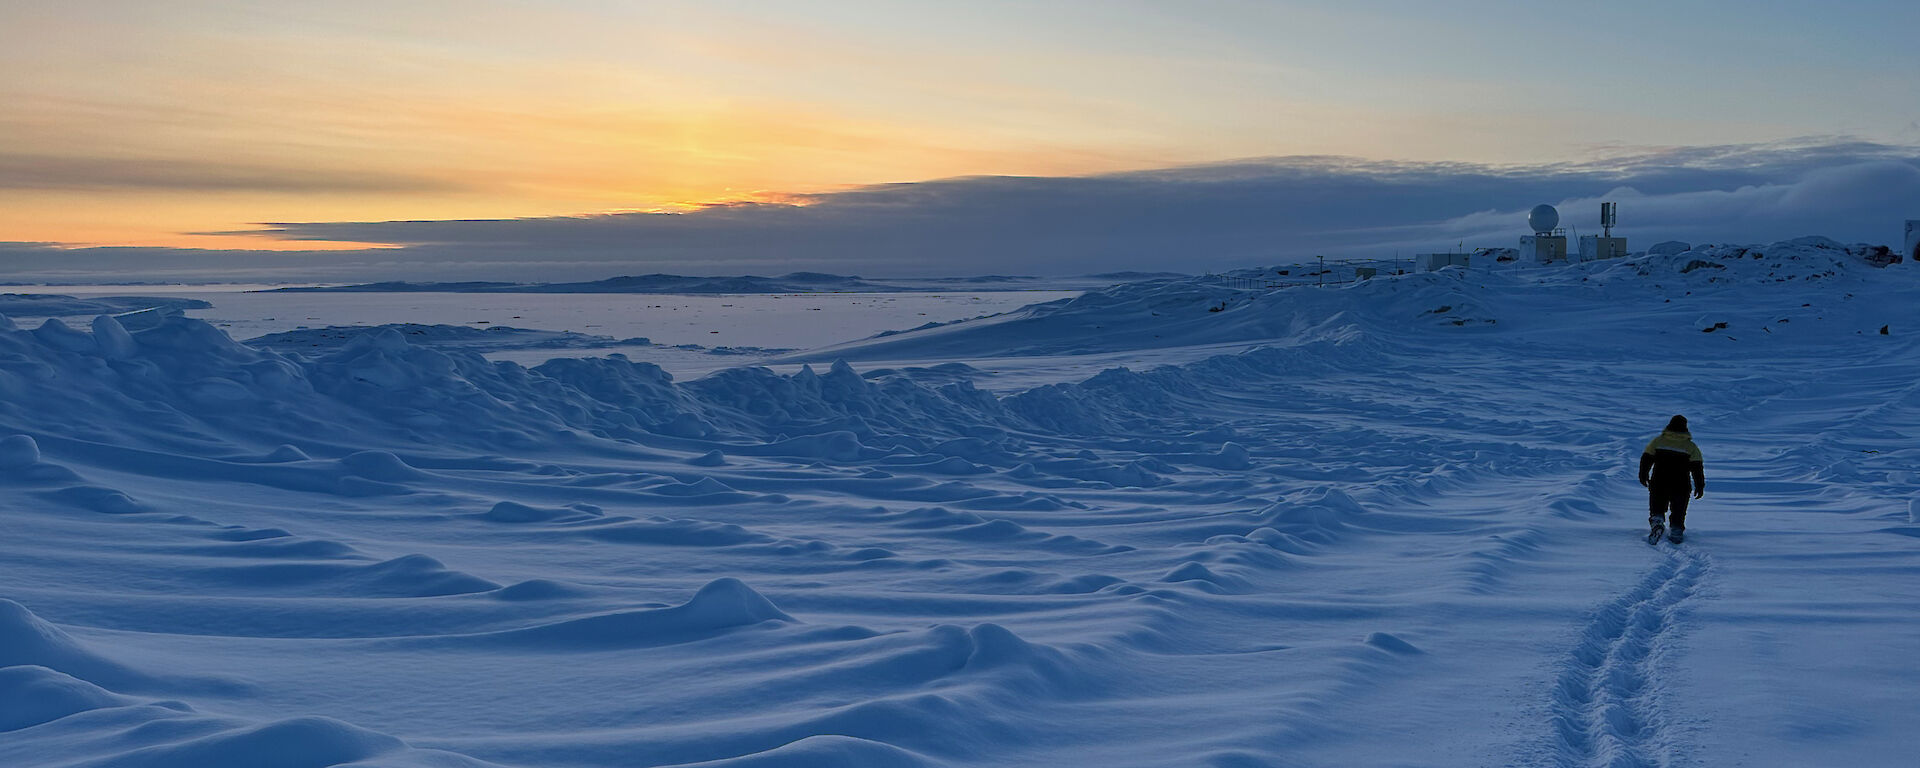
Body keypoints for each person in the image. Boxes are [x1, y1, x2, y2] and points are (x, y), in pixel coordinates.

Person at [1639, 415, 1704, 543]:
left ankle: (1657, 521)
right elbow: (1697, 468)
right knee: (1679, 508)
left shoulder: (1658, 441)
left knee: (1657, 504)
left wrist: (1643, 474)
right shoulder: (1690, 446)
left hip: (1659, 480)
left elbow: (1646, 459)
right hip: (1681, 484)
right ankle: (1676, 529)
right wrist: (1699, 485)